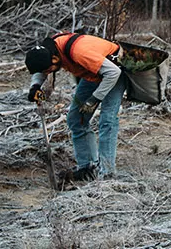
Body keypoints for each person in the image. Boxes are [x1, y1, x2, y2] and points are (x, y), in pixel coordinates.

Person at [25, 32, 126, 182]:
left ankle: (107, 173)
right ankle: (88, 167)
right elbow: (42, 69)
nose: (47, 74)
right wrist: (35, 86)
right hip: (92, 73)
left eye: (48, 71)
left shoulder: (79, 52)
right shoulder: (49, 50)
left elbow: (113, 72)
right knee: (75, 119)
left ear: (54, 59)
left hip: (114, 72)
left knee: (108, 120)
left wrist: (94, 99)